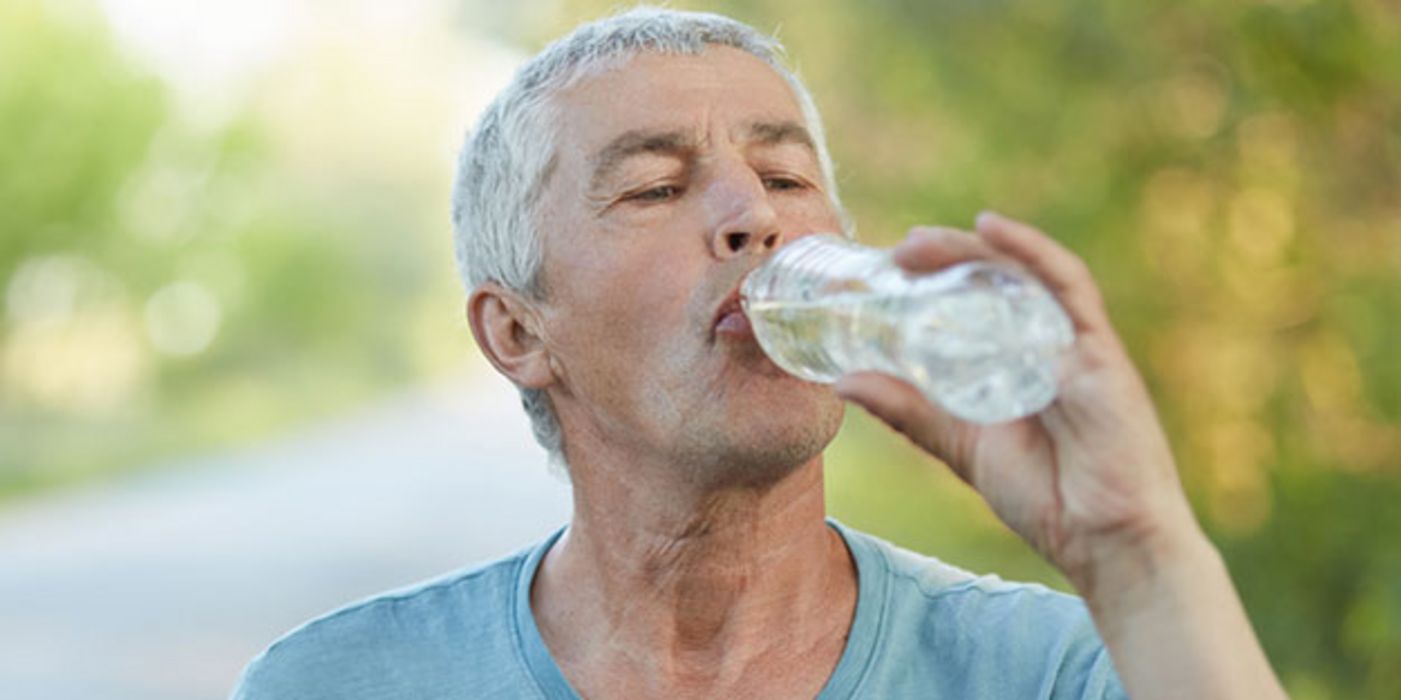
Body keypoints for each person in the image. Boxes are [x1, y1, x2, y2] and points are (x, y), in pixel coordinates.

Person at [233, 7, 1287, 699]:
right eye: (655, 187)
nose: (752, 217)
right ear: (519, 331)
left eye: (786, 179)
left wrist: (1140, 555)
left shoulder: (1049, 669)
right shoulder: (341, 682)